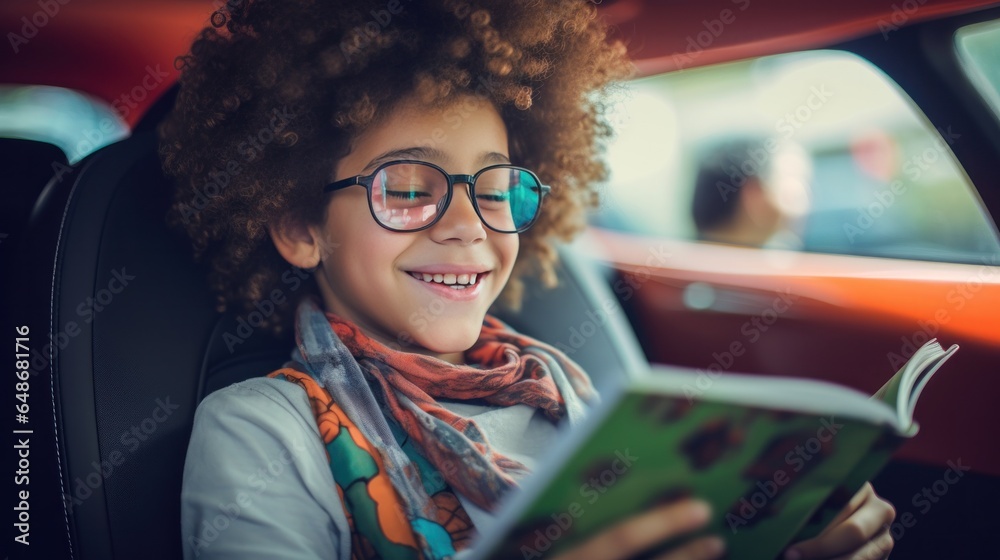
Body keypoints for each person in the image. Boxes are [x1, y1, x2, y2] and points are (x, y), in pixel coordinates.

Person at [158, 1, 895, 559]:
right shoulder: (261, 433)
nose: (469, 225)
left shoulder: (561, 389)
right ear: (299, 227)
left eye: (495, 187)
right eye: (409, 188)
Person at [690, 137, 813, 248]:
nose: (807, 200)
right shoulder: (762, 270)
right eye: (798, 180)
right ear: (755, 194)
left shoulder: (681, 266)